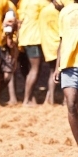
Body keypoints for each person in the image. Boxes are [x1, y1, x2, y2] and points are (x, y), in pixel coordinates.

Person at [53, 0, 78, 144]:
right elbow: (61, 41)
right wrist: (58, 66)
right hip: (69, 66)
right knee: (71, 105)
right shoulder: (65, 12)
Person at [17, 0, 49, 106]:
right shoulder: (42, 3)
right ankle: (26, 100)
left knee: (32, 69)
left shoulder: (24, 2)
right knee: (35, 69)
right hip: (34, 39)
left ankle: (30, 99)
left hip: (25, 38)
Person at [39, 0, 64, 105]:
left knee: (52, 72)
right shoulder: (61, 10)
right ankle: (65, 100)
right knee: (64, 73)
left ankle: (51, 99)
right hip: (59, 44)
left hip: (48, 44)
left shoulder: (43, 10)